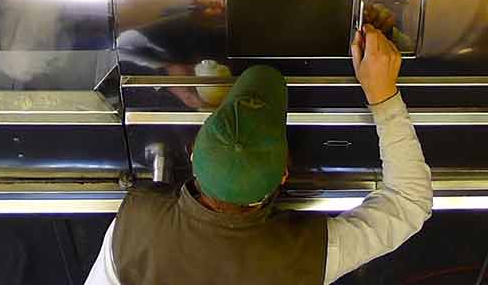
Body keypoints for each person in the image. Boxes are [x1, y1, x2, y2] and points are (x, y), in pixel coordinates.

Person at [84, 23, 432, 284]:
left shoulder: (133, 227)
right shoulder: (308, 255)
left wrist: (161, 68)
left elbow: (121, 40)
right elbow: (408, 202)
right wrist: (383, 96)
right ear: (283, 174)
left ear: (192, 153)